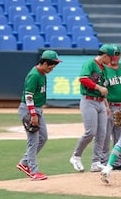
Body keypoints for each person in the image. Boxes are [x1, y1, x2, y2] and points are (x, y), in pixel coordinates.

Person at [16, 50, 62, 180]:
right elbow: (28, 96)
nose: (53, 68)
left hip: (37, 109)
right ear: (45, 63)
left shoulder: (42, 74)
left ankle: (24, 163)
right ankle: (33, 171)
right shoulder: (34, 75)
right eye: (52, 65)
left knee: (43, 137)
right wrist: (33, 115)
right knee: (33, 141)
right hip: (29, 110)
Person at [69, 44, 111, 172]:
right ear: (105, 56)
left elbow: (103, 89)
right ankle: (76, 156)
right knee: (90, 132)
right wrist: (99, 88)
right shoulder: (90, 63)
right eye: (111, 57)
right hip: (88, 101)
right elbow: (83, 79)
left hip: (100, 103)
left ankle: (96, 162)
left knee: (102, 134)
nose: (112, 60)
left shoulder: (103, 68)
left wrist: (106, 104)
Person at [102, 44, 121, 171]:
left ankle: (117, 162)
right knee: (105, 135)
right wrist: (105, 106)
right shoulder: (103, 70)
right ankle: (103, 162)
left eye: (117, 54)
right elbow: (102, 90)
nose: (115, 57)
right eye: (112, 55)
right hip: (110, 106)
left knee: (120, 137)